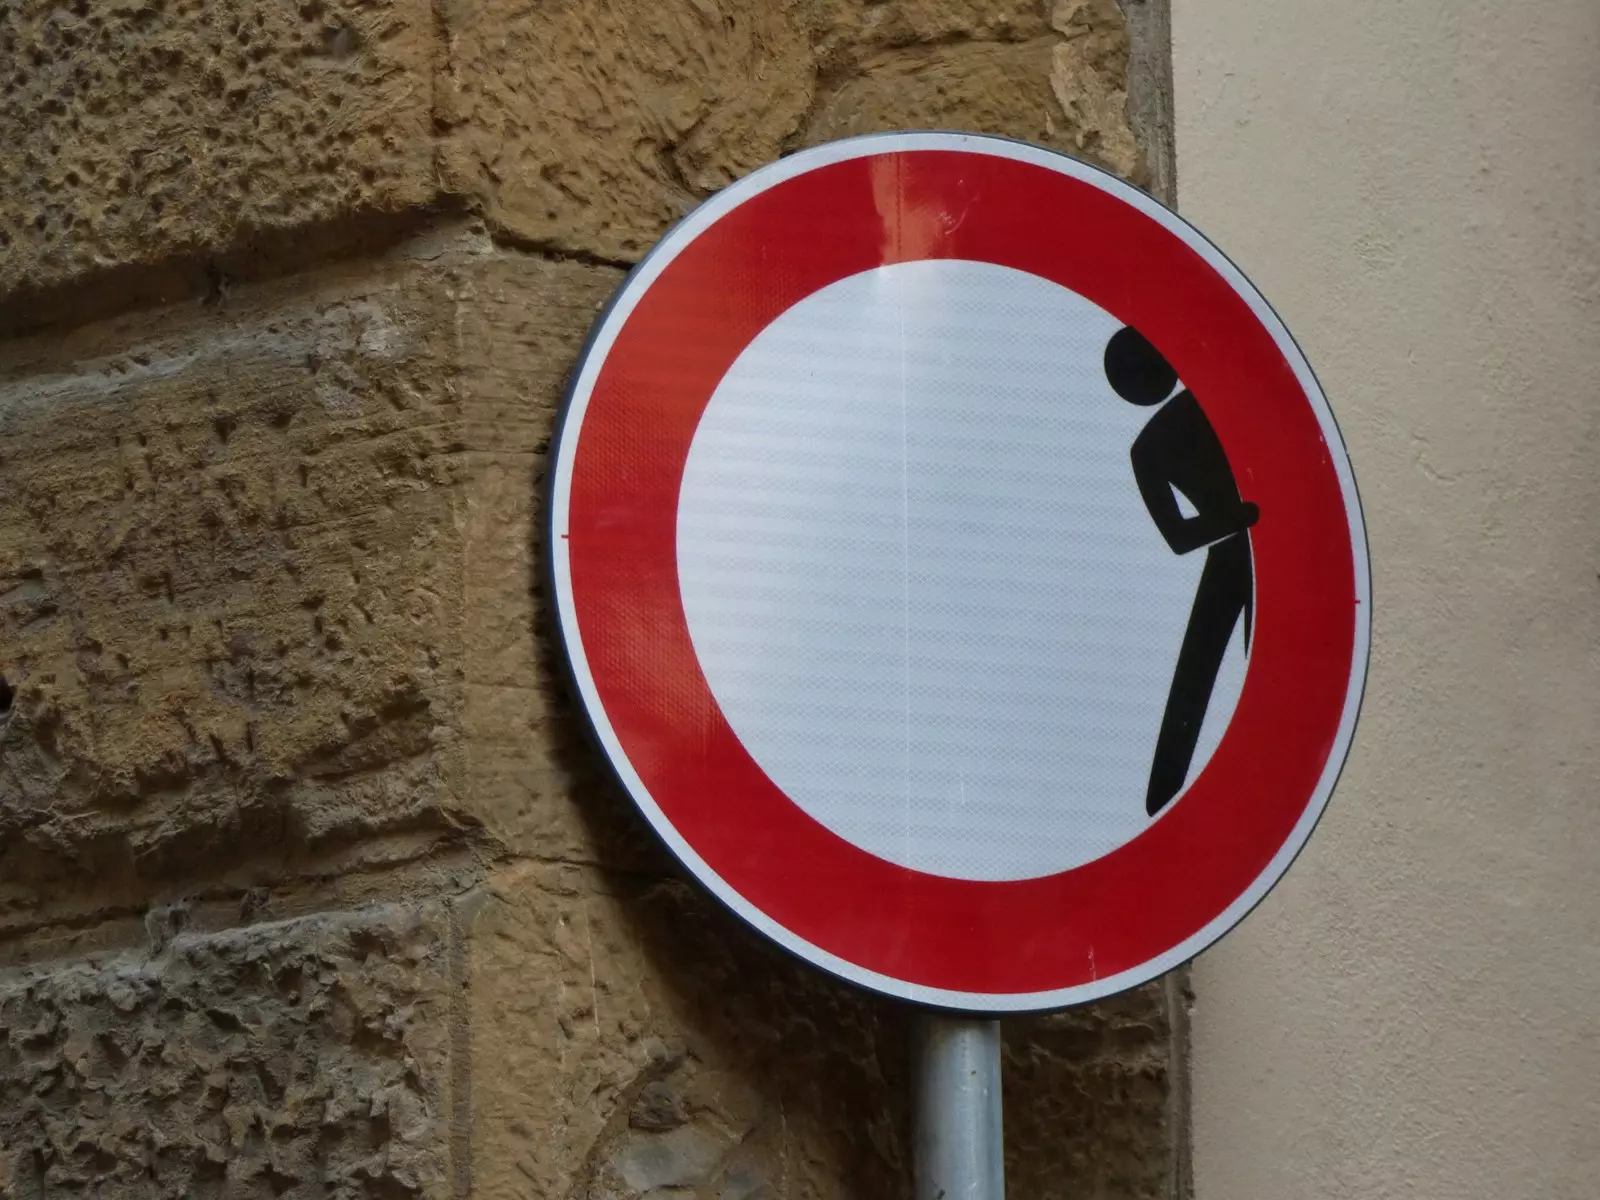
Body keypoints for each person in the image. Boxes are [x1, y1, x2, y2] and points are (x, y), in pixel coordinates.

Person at [1103, 326, 1260, 815]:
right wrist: (1243, 516)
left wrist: (1243, 518)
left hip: (1249, 546)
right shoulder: (1152, 444)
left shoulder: (1208, 397)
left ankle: (1171, 799)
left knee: (1252, 660)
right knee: (1202, 673)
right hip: (1238, 548)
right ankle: (1165, 804)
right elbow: (1178, 538)